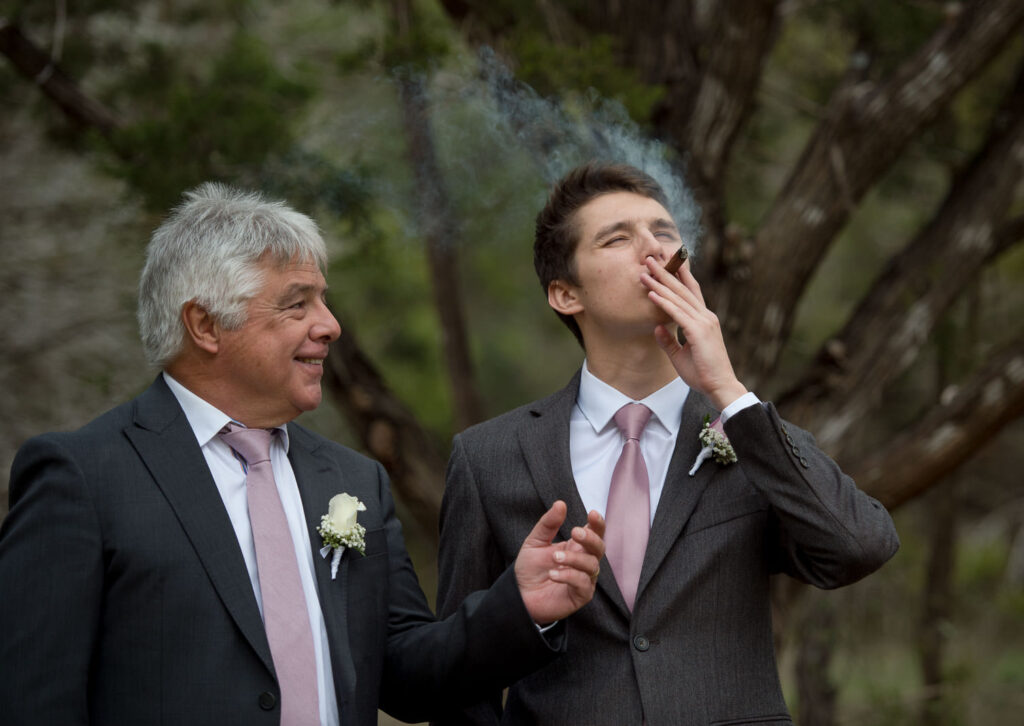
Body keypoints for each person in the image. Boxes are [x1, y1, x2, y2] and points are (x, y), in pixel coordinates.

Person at [0, 183, 606, 726]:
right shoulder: (82, 476)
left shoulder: (353, 480)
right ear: (205, 325)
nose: (331, 325)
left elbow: (408, 677)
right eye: (297, 304)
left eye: (324, 300)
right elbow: (34, 700)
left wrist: (519, 607)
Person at [434, 162, 900, 725]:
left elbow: (859, 547)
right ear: (564, 294)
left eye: (664, 232)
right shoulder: (489, 457)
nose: (653, 249)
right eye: (617, 238)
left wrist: (727, 389)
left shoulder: (745, 434)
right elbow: (460, 676)